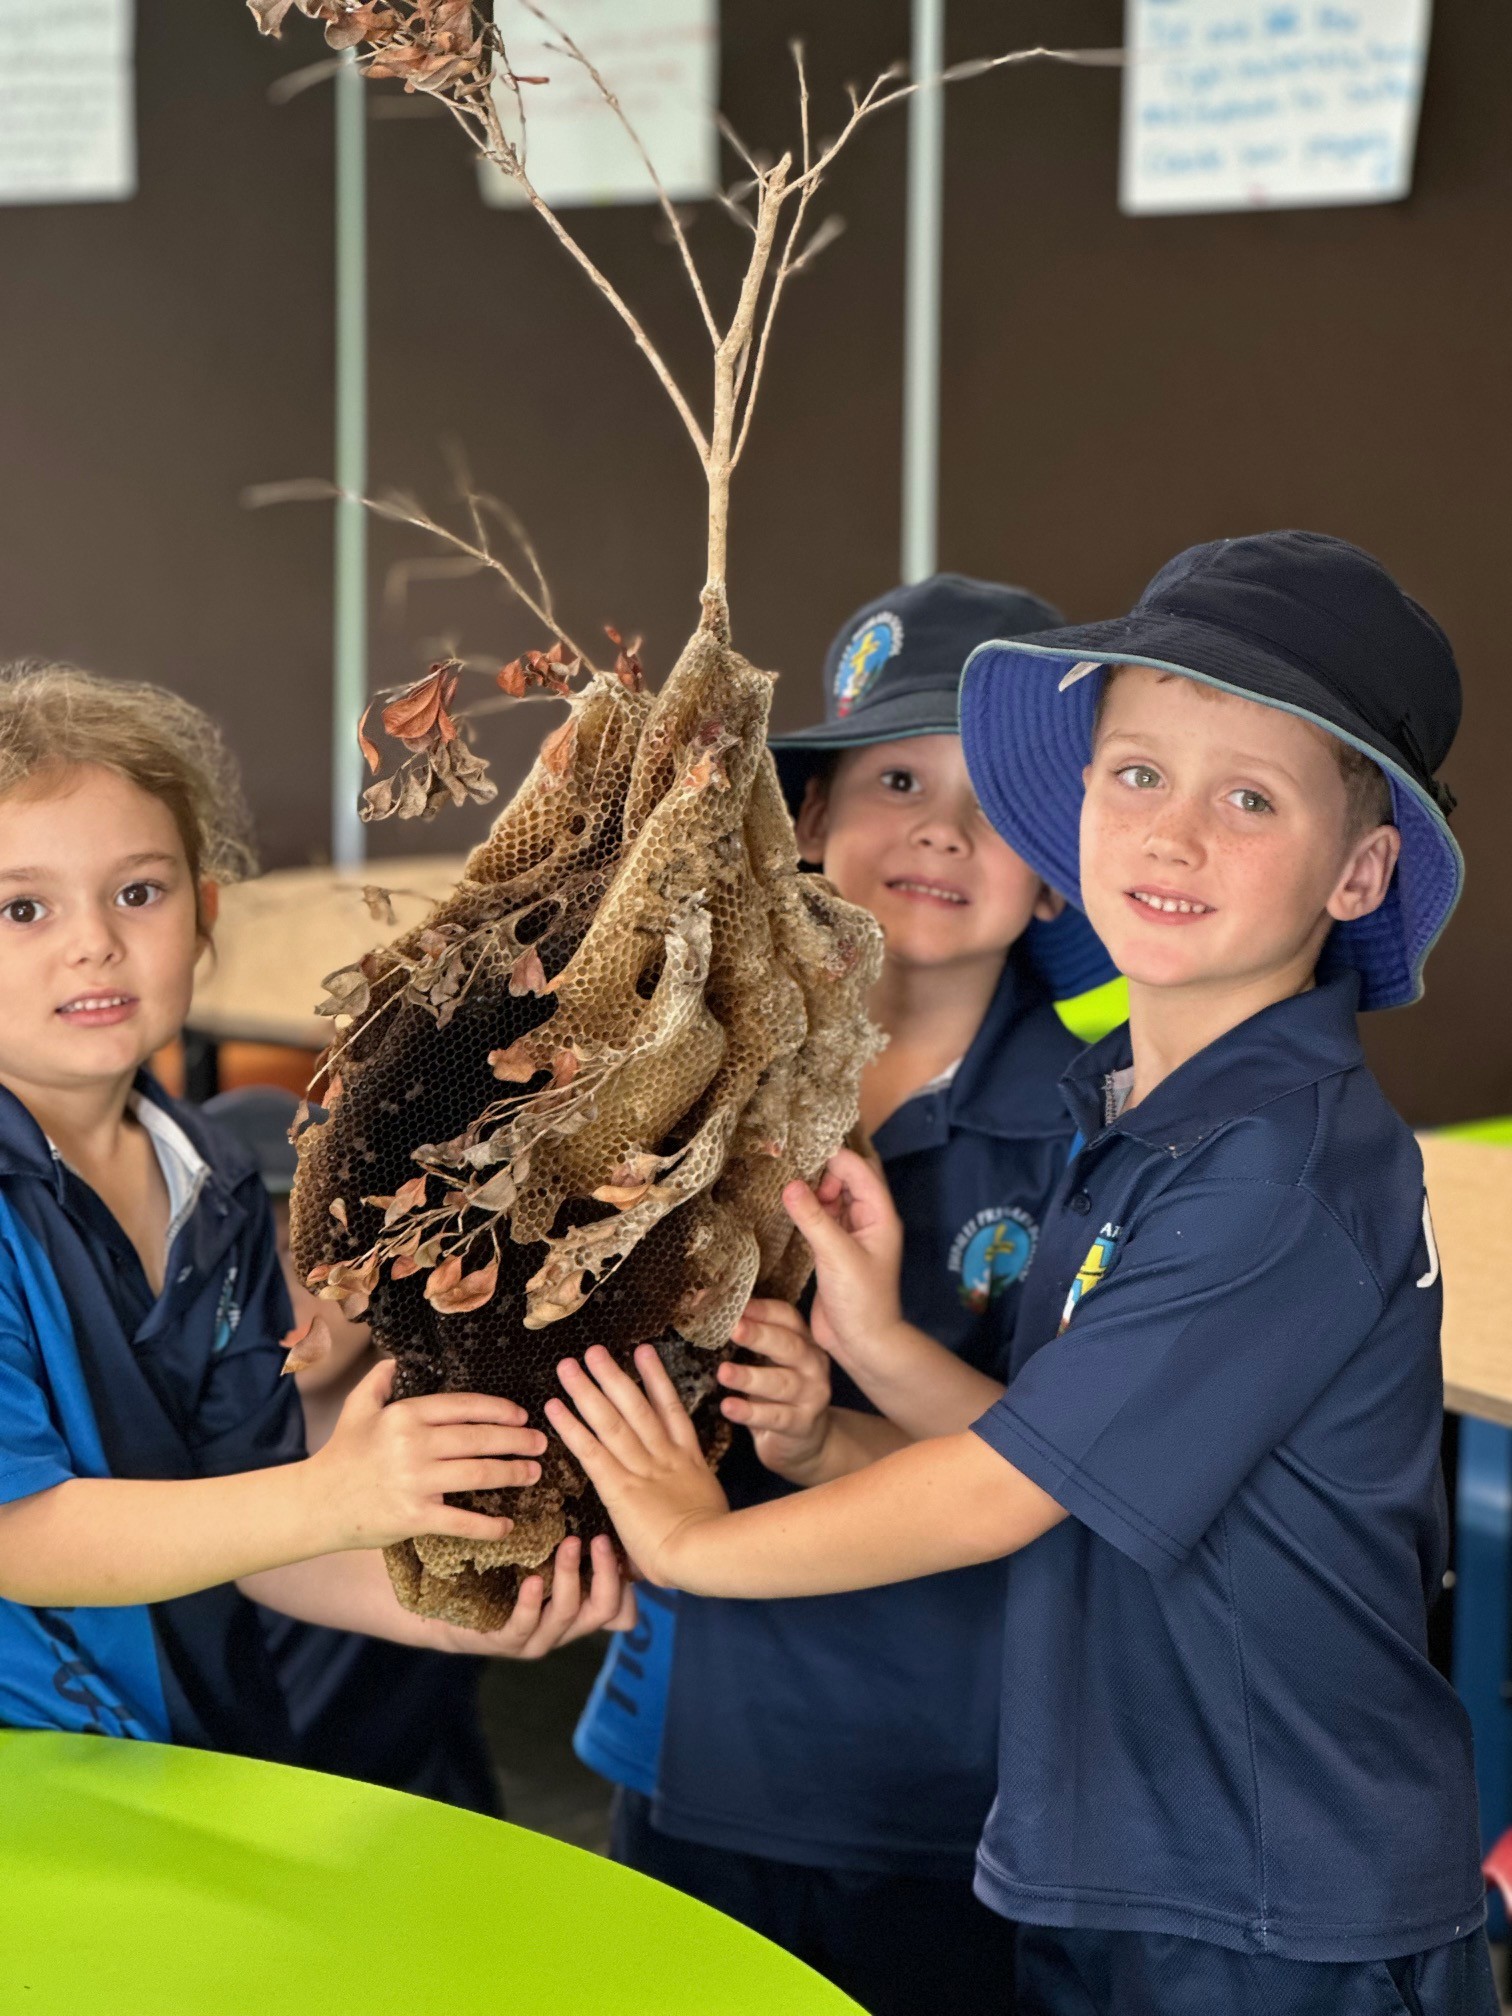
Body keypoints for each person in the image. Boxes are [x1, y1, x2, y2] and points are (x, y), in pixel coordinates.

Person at [548, 534, 1497, 2014]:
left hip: (1265, 1901)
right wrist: (877, 1343)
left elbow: (1008, 1493)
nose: (1172, 836)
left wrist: (687, 1546)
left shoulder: (1273, 1172)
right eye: (1137, 777)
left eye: (1248, 798)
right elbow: (1066, 1445)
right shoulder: (1142, 1113)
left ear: (1362, 869)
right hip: (1125, 1854)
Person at [575, 575, 1120, 2016]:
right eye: (894, 778)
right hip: (699, 1731)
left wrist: (839, 1414)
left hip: (949, 1769)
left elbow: (1078, 1472)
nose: (941, 828)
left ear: (1059, 872)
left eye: (996, 800)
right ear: (807, 826)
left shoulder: (1096, 1134)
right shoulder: (684, 1069)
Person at [0, 661, 628, 1760]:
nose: (92, 940)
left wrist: (447, 1619)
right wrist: (338, 1497)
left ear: (202, 917)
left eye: (137, 892)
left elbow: (242, 1525)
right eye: (23, 907)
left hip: (194, 1767)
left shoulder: (217, 1179)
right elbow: (20, 1535)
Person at [207, 1084, 507, 1814]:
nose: (265, 1298)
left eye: (301, 1254)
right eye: (224, 1262)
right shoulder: (162, 1467)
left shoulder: (462, 1442)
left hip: (412, 1827)